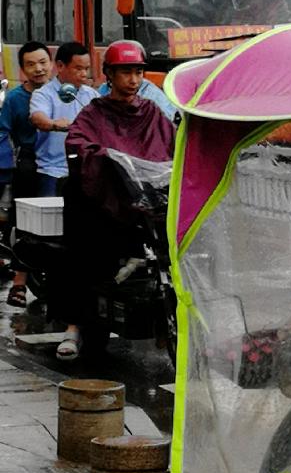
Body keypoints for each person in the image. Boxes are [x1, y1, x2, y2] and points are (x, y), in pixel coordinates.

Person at [56, 41, 176, 361]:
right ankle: (74, 326)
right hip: (107, 204)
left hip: (147, 201)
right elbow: (78, 141)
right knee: (86, 252)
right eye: (125, 73)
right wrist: (103, 158)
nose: (133, 80)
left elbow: (173, 144)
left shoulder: (152, 112)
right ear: (109, 75)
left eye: (138, 72)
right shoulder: (94, 113)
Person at [0, 42, 52, 307]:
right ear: (22, 69)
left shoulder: (64, 93)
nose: (38, 68)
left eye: (42, 62)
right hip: (29, 161)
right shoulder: (15, 99)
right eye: (31, 64)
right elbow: (3, 132)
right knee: (27, 222)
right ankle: (19, 283)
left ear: (52, 63)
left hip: (61, 161)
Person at [28, 41, 96, 195]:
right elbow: (38, 118)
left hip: (85, 170)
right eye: (78, 68)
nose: (84, 74)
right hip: (53, 171)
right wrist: (55, 124)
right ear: (60, 66)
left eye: (86, 69)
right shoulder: (43, 94)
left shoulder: (91, 94)